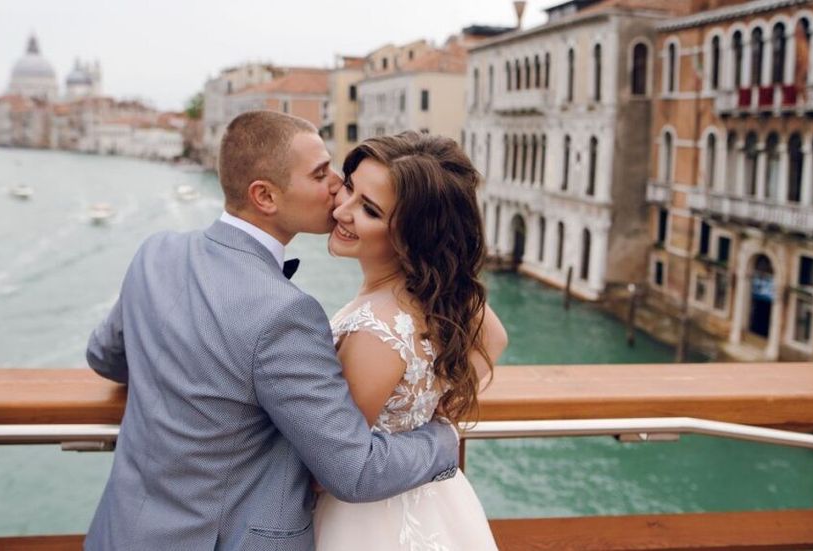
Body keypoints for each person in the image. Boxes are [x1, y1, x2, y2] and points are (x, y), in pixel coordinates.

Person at [84, 111, 460, 551]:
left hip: (122, 532)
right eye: (321, 174)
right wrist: (444, 439)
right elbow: (354, 471)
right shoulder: (287, 315)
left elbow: (104, 357)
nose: (338, 186)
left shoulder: (157, 253)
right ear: (264, 196)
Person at [314, 132, 508, 550]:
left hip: (366, 523)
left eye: (369, 209)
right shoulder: (441, 295)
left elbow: (334, 463)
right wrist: (432, 412)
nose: (342, 211)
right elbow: (495, 337)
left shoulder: (375, 330)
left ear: (410, 235)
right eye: (349, 186)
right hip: (435, 502)